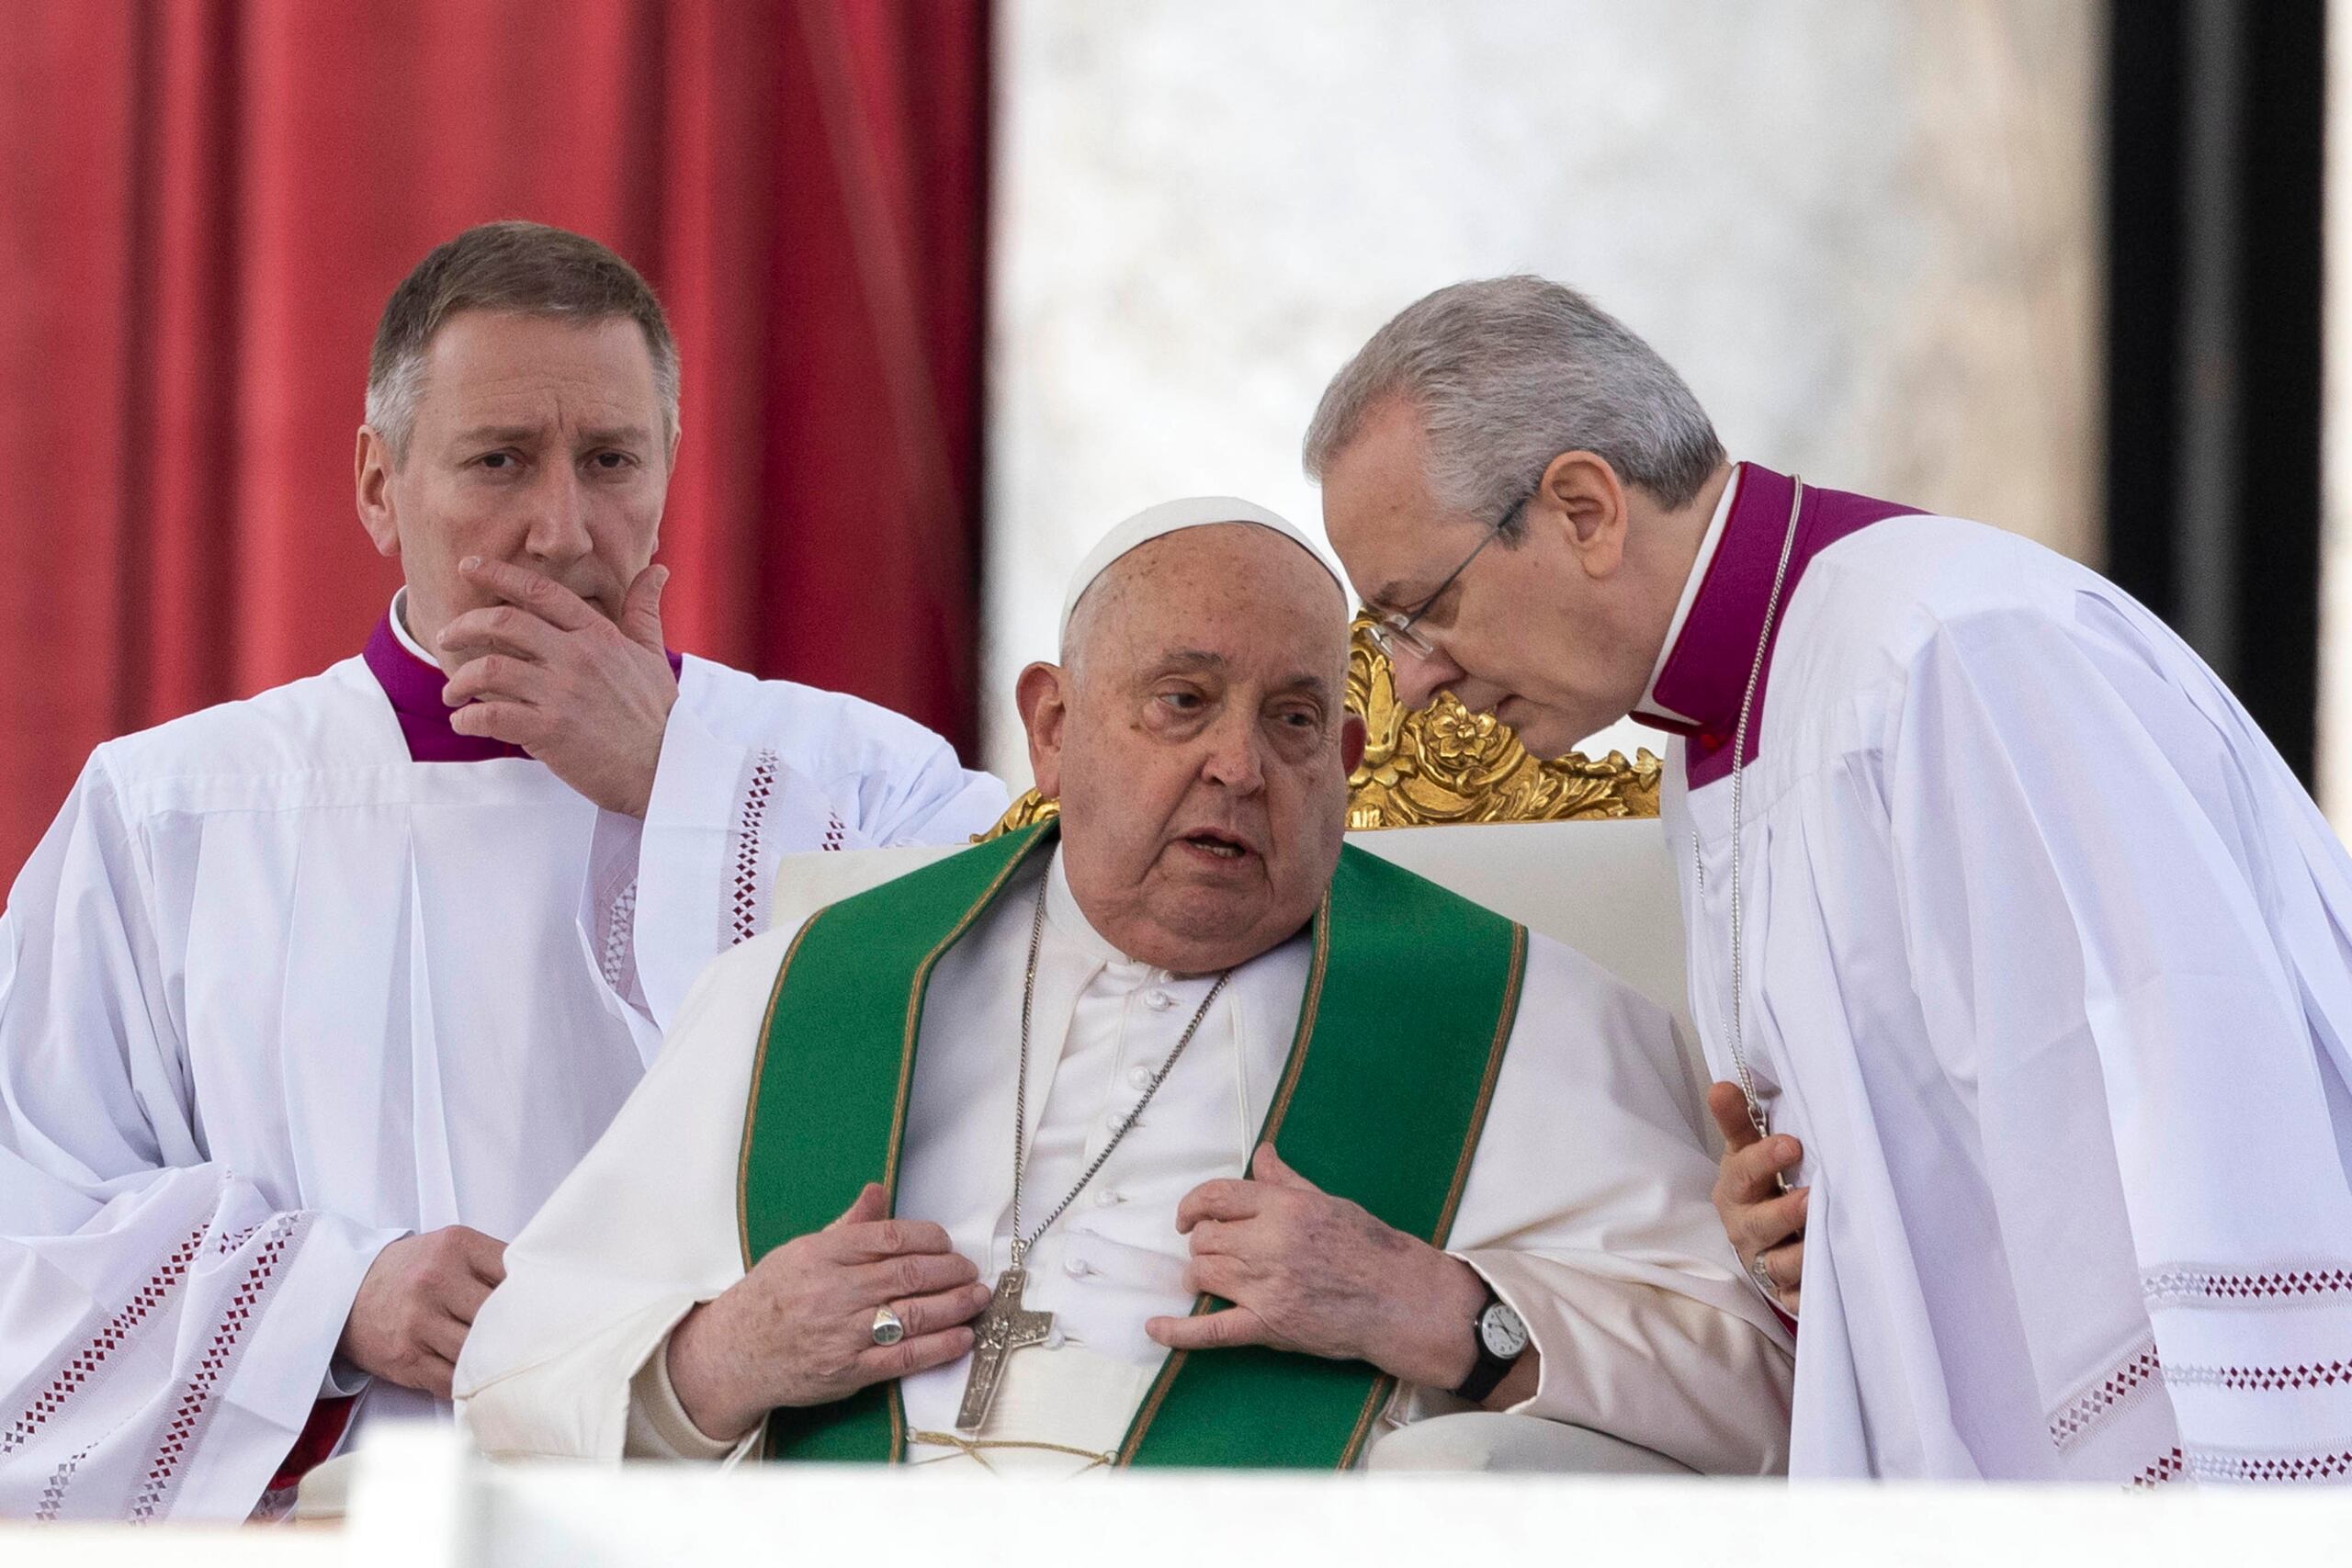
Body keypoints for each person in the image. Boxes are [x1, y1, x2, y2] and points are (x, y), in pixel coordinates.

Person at [455, 500, 1794, 1477]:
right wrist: (723, 1358)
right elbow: (508, 1381)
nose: (1237, 768)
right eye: (1181, 702)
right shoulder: (814, 986)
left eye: (1289, 723)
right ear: (1051, 729)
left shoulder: (1514, 1013)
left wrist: (1450, 1314)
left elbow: (1771, 1394)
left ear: (1342, 757)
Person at [0, 221, 1004, 1521]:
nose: (562, 528)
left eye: (610, 460)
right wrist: (329, 1301)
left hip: (742, 1514)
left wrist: (679, 787)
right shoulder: (171, 814)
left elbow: (1007, 1083)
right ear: (377, 482)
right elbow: (32, 1212)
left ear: (670, 468)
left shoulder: (868, 777)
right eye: (498, 463)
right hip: (346, 1520)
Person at [1305, 275, 2352, 1483]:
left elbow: (2176, 1101)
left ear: (1584, 508)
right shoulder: (1717, 741)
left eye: (1419, 612)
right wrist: (1795, 1236)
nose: (1418, 681)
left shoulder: (1952, 651)